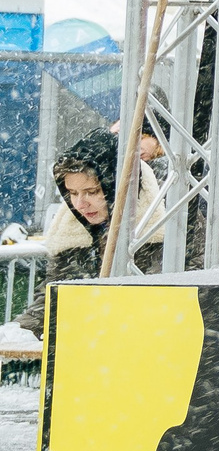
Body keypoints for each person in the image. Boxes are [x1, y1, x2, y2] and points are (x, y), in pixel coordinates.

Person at [0, 130, 167, 346]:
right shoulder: (72, 230)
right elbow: (54, 299)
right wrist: (18, 332)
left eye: (92, 191)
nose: (80, 204)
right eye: (73, 193)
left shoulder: (170, 224)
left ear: (115, 187)